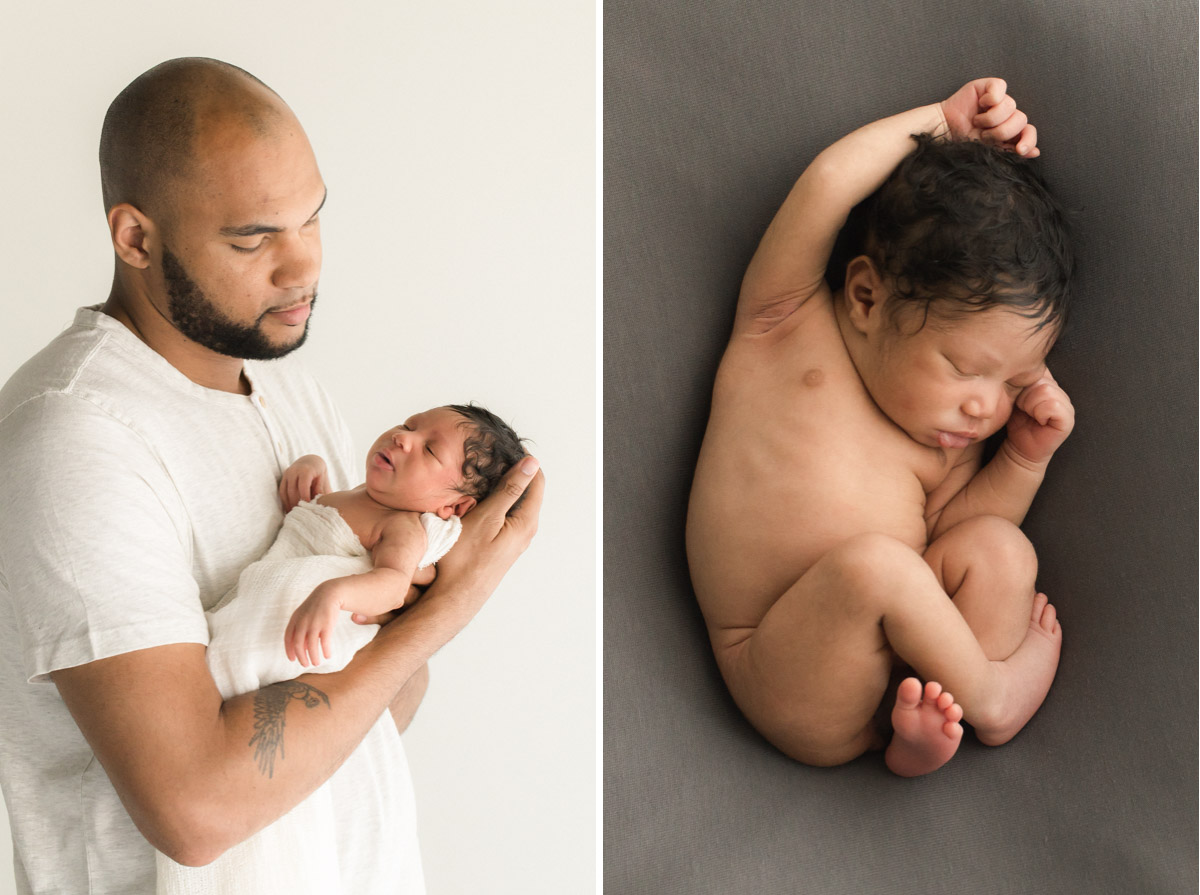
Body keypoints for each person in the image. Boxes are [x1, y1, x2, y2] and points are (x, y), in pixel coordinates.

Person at [0, 57, 543, 894]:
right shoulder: (77, 438)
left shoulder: (295, 396)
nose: (302, 269)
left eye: (312, 219)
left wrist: (397, 625)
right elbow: (197, 813)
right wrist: (446, 607)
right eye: (254, 238)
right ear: (137, 238)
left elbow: (386, 707)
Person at [686, 77, 1071, 777]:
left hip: (908, 664)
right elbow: (828, 184)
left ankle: (923, 727)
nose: (986, 407)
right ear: (866, 297)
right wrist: (942, 121)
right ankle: (993, 698)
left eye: (1015, 384)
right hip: (782, 664)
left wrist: (1022, 458)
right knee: (876, 566)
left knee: (1002, 549)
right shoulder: (784, 322)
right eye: (966, 368)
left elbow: (953, 530)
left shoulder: (947, 437)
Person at [279, 403, 527, 668]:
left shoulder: (401, 528)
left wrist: (333, 595)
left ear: (454, 507)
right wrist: (312, 466)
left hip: (300, 632)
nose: (402, 437)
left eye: (430, 450)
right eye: (409, 425)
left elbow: (394, 586)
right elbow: (329, 529)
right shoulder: (366, 497)